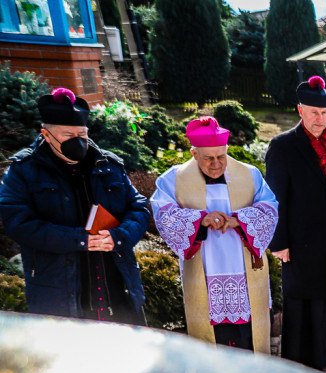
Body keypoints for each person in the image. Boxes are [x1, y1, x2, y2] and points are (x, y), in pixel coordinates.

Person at [0, 87, 148, 323]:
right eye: (68, 136)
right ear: (47, 135)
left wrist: (119, 236)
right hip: (60, 296)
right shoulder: (22, 170)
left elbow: (138, 207)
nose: (78, 141)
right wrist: (79, 239)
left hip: (118, 290)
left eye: (83, 134)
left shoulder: (108, 164)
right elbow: (18, 224)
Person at [152, 117, 279, 352]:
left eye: (221, 157)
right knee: (215, 344)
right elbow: (164, 215)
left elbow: (270, 209)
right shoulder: (173, 179)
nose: (216, 164)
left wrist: (238, 220)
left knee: (249, 341)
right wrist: (201, 220)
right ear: (193, 153)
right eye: (208, 158)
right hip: (204, 274)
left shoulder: (250, 174)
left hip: (245, 272)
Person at [266, 76, 326, 370]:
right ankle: (306, 357)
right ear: (300, 111)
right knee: (308, 295)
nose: (319, 118)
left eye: (324, 113)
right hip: (301, 238)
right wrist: (279, 242)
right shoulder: (282, 146)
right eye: (313, 112)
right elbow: (274, 198)